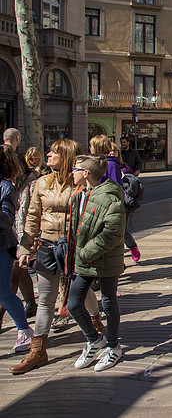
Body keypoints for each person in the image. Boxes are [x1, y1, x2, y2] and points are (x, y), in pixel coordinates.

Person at [13, 138, 101, 375]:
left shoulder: (81, 184)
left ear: (68, 157)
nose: (48, 155)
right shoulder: (41, 183)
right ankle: (38, 350)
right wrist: (25, 248)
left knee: (80, 292)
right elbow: (32, 217)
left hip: (73, 247)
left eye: (54, 152)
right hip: (47, 246)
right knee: (46, 299)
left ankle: (96, 322)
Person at [67, 155, 126, 372]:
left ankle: (113, 346)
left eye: (74, 169)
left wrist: (84, 251)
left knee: (109, 303)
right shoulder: (79, 194)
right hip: (83, 259)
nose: (71, 173)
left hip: (104, 259)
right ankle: (94, 340)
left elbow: (113, 233)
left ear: (86, 173)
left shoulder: (110, 198)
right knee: (73, 303)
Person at [0, 145, 32, 355]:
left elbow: (7, 220)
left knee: (3, 294)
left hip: (2, 245)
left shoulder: (6, 187)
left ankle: (24, 329)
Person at [91, 138, 141, 263]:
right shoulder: (95, 164)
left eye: (91, 146)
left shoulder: (112, 164)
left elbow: (116, 186)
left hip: (111, 204)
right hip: (98, 203)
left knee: (120, 233)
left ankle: (130, 249)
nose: (90, 148)